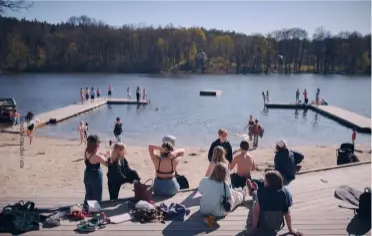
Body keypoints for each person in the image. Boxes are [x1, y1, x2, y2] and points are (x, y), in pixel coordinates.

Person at [246, 170, 302, 236]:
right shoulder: (285, 193)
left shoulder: (262, 193)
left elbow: (256, 211)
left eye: (265, 180)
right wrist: (290, 229)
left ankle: (253, 191)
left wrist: (254, 229)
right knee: (257, 195)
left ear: (269, 183)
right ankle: (253, 190)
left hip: (263, 224)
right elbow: (287, 212)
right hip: (277, 225)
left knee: (255, 198)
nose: (264, 181)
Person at [83, 135, 108, 211]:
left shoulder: (86, 152)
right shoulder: (96, 156)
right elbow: (107, 164)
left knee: (89, 192)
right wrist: (108, 155)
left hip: (87, 173)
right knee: (96, 193)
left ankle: (86, 208)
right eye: (98, 144)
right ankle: (94, 210)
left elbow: (97, 156)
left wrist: (102, 155)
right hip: (95, 176)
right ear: (95, 145)